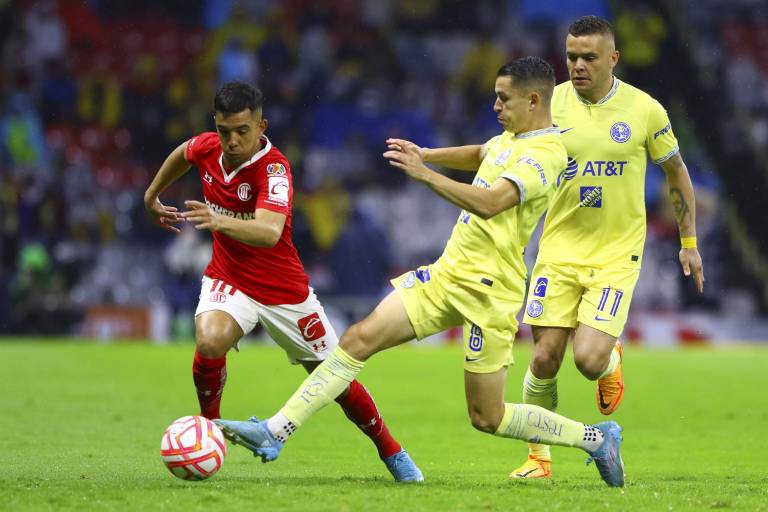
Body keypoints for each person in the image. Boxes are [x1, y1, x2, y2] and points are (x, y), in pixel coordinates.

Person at [215, 57, 626, 487]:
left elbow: (490, 203)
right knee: (358, 338)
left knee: (487, 416)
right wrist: (427, 152)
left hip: (491, 292)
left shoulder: (545, 155)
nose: (496, 106)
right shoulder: (511, 137)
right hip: (448, 275)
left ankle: (596, 439)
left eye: (503, 99)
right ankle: (276, 430)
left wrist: (424, 174)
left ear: (535, 100)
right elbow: (483, 153)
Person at [143, 81, 423, 482]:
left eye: (243, 131)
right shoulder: (208, 146)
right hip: (229, 276)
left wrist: (217, 219)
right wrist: (152, 195)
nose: (233, 141)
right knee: (209, 340)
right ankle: (210, 430)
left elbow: (270, 231)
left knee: (335, 379)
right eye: (225, 131)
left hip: (283, 291)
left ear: (261, 126)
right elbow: (185, 152)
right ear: (215, 126)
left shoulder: (274, 169)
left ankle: (392, 451)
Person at [511, 16, 705, 480]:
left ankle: (611, 359)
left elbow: (676, 172)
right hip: (558, 249)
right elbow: (504, 161)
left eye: (589, 58)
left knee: (588, 360)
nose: (578, 65)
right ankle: (539, 458)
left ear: (613, 59)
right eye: (572, 56)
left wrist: (689, 243)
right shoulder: (547, 105)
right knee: (542, 358)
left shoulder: (645, 110)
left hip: (616, 255)